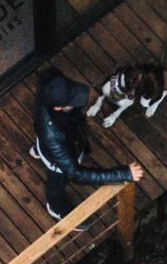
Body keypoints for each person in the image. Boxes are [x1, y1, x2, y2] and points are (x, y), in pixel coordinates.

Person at [29, 69, 134, 220]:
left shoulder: (47, 83)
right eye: (72, 101)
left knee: (47, 143)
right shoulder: (54, 136)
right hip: (56, 158)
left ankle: (39, 150)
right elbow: (75, 174)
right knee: (56, 184)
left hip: (53, 140)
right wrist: (123, 173)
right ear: (58, 107)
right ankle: (55, 207)